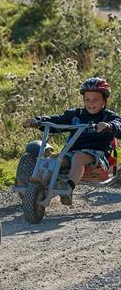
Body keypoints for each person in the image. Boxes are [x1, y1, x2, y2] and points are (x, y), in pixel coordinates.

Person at [23, 77, 121, 205]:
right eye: (87, 99)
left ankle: (68, 188)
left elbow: (118, 124)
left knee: (78, 157)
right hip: (72, 152)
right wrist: (38, 121)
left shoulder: (108, 116)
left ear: (104, 100)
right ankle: (40, 182)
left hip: (97, 155)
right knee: (55, 159)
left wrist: (109, 126)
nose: (91, 103)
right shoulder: (75, 114)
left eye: (95, 99)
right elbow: (57, 120)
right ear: (83, 100)